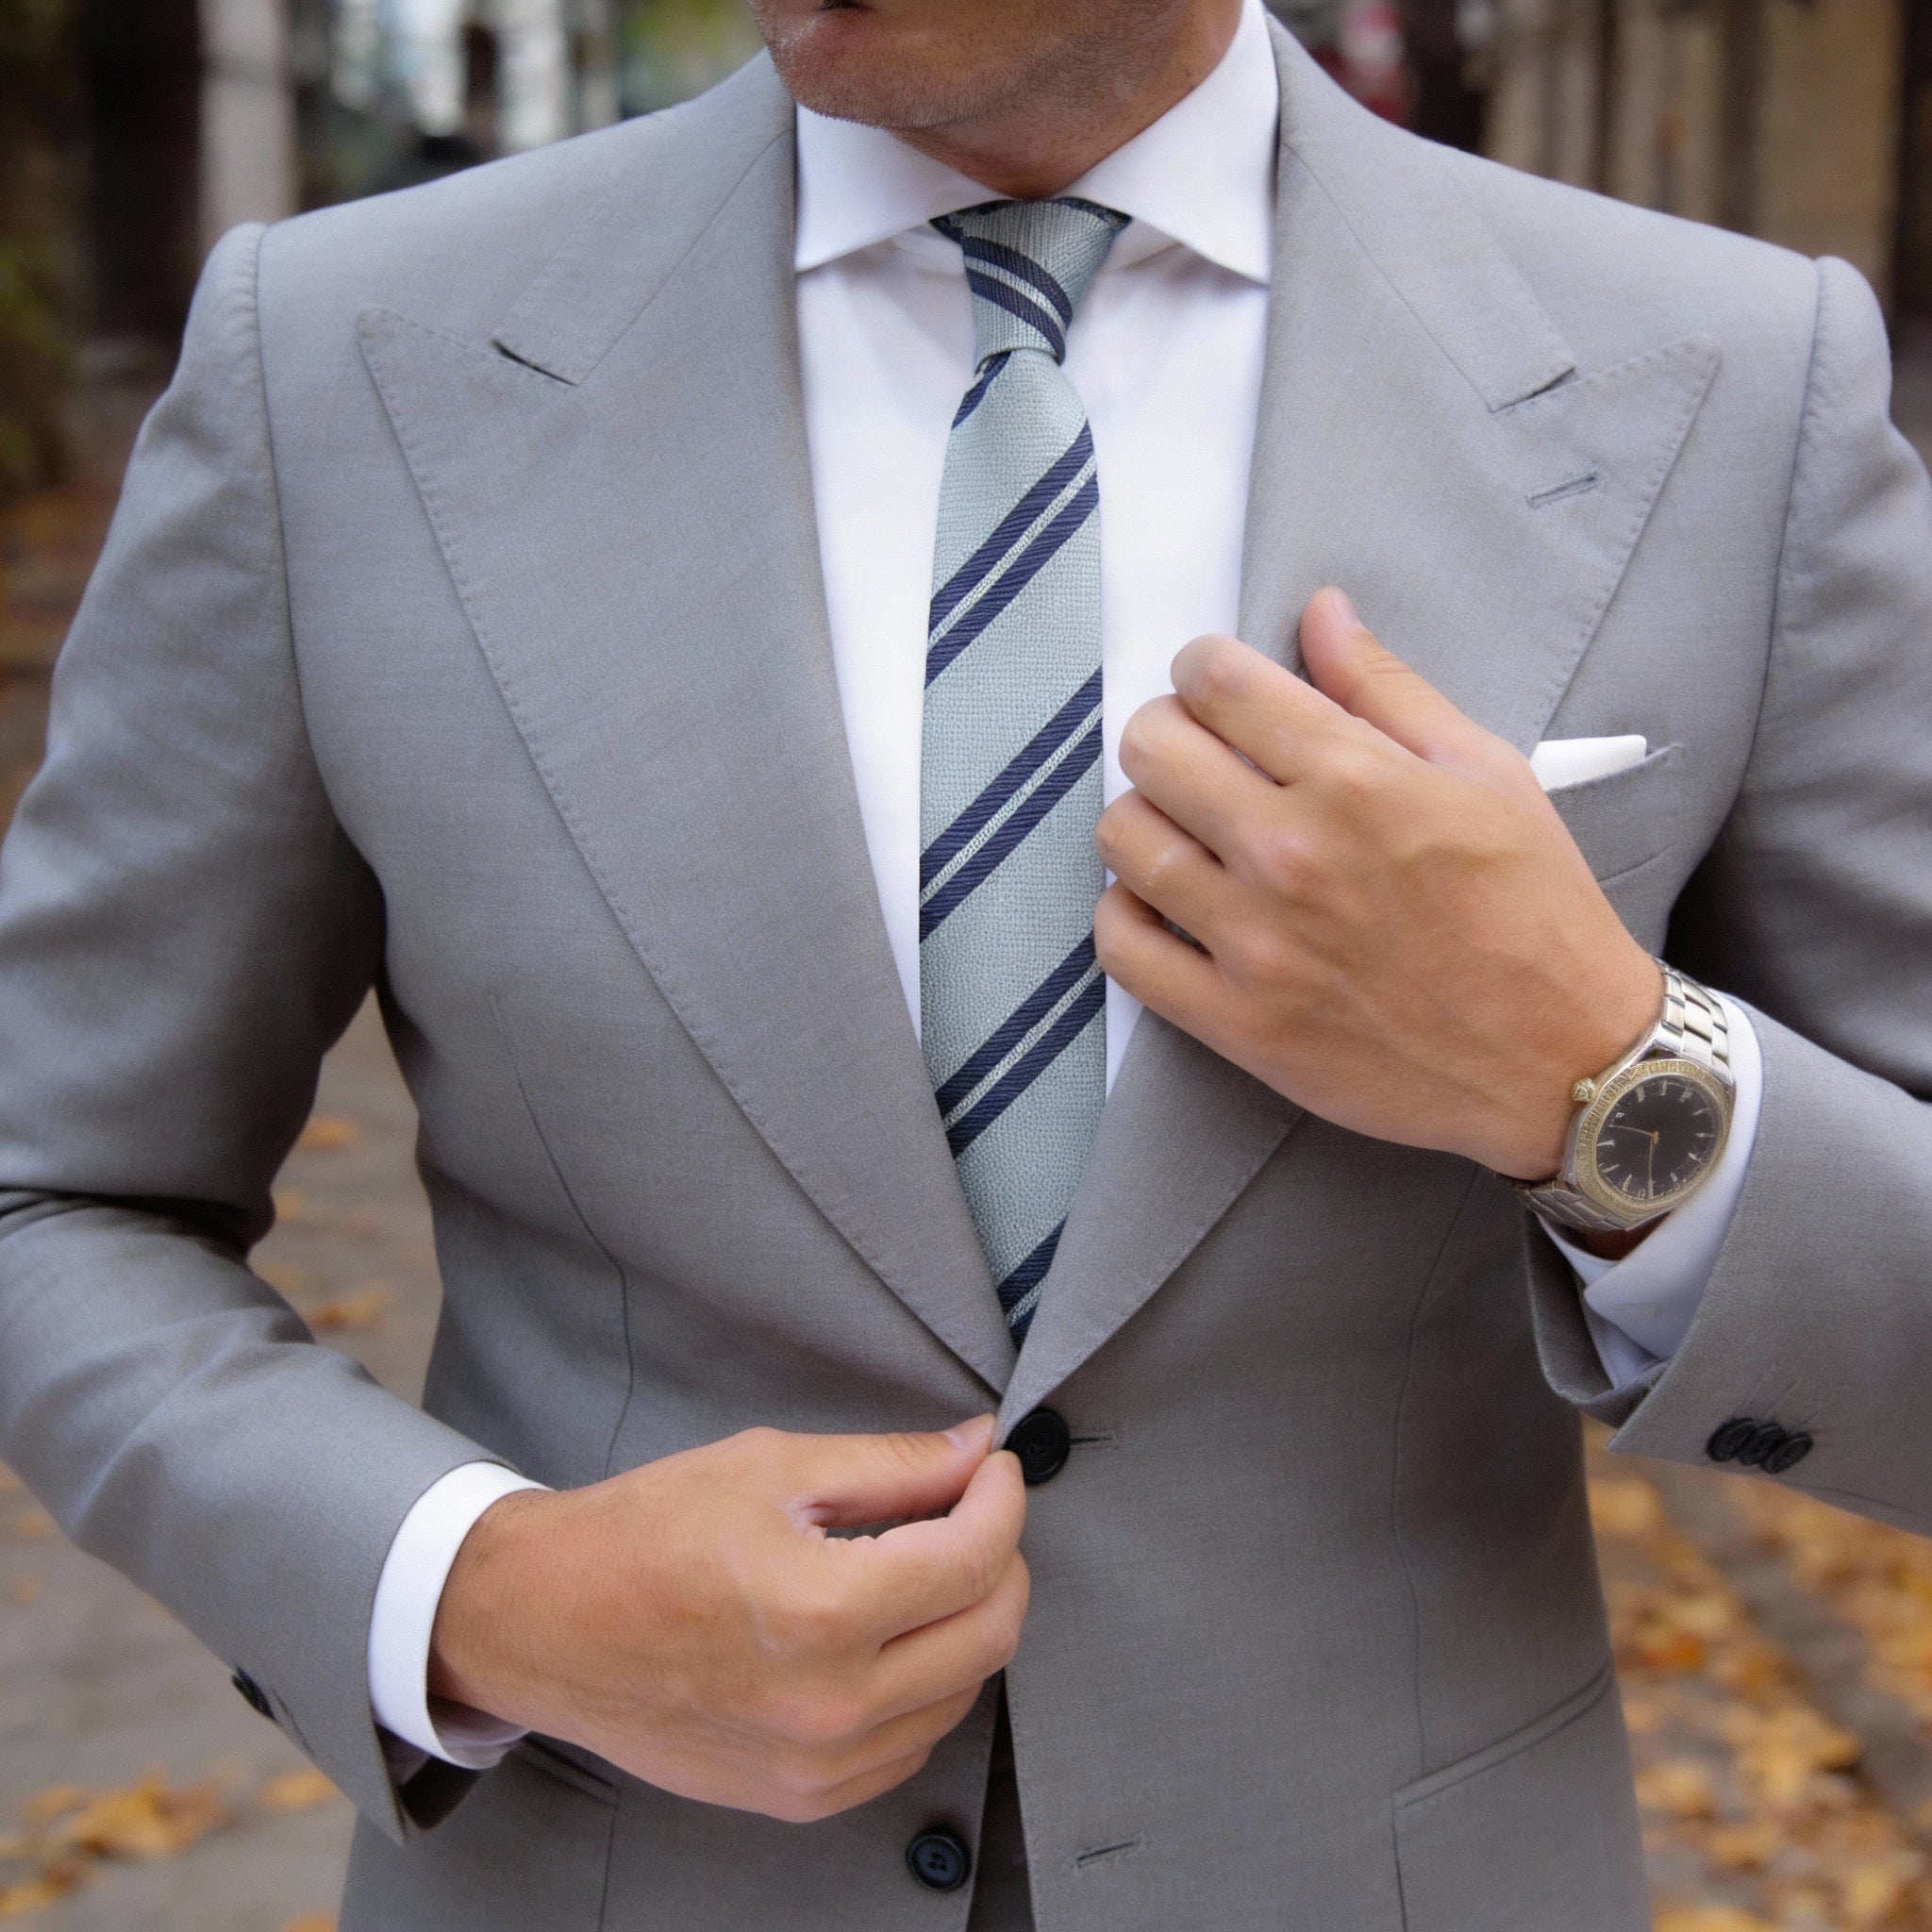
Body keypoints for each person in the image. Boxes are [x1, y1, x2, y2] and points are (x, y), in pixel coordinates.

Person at [0, 0, 1927, 1924]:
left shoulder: (1729, 386)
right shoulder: (334, 365)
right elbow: (53, 1187)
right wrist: (473, 1591)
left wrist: (1598, 1078)